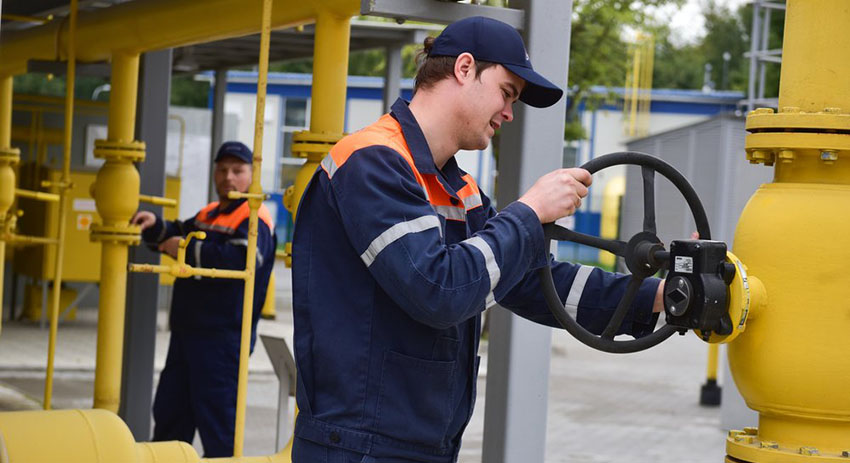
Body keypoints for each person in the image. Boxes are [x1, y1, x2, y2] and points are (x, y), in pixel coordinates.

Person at [291, 16, 664, 463]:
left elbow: (534, 282)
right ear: (465, 68)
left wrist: (658, 296)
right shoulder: (372, 162)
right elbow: (438, 289)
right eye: (507, 93)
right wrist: (530, 211)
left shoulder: (459, 190)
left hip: (418, 445)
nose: (509, 113)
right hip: (357, 447)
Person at [131, 141, 276, 457]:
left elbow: (238, 261)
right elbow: (179, 231)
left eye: (237, 170)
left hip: (222, 340)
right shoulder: (209, 213)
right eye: (222, 170)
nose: (228, 177)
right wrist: (155, 226)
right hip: (188, 333)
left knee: (218, 429)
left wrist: (182, 247)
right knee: (170, 417)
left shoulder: (255, 217)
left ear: (252, 175)